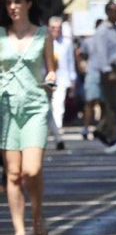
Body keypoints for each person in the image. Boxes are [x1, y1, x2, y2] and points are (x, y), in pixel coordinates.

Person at [2, 0, 56, 235]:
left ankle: (38, 216)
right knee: (12, 173)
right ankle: (19, 232)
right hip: (6, 108)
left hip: (35, 106)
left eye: (18, 1)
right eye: (9, 2)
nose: (13, 6)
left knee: (31, 170)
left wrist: (51, 78)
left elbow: (51, 68)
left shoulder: (43, 35)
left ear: (29, 4)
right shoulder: (0, 36)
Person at [87, 1, 116, 150]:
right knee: (113, 104)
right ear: (108, 12)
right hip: (110, 69)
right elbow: (101, 52)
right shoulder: (103, 30)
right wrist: (108, 71)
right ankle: (112, 135)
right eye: (115, 11)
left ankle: (104, 130)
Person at [45, 17, 72, 151]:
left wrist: (72, 79)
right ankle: (57, 136)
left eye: (58, 28)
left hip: (60, 78)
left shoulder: (66, 43)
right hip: (44, 79)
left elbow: (70, 62)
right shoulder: (42, 41)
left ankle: (58, 134)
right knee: (47, 109)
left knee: (58, 105)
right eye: (53, 28)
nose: (56, 30)